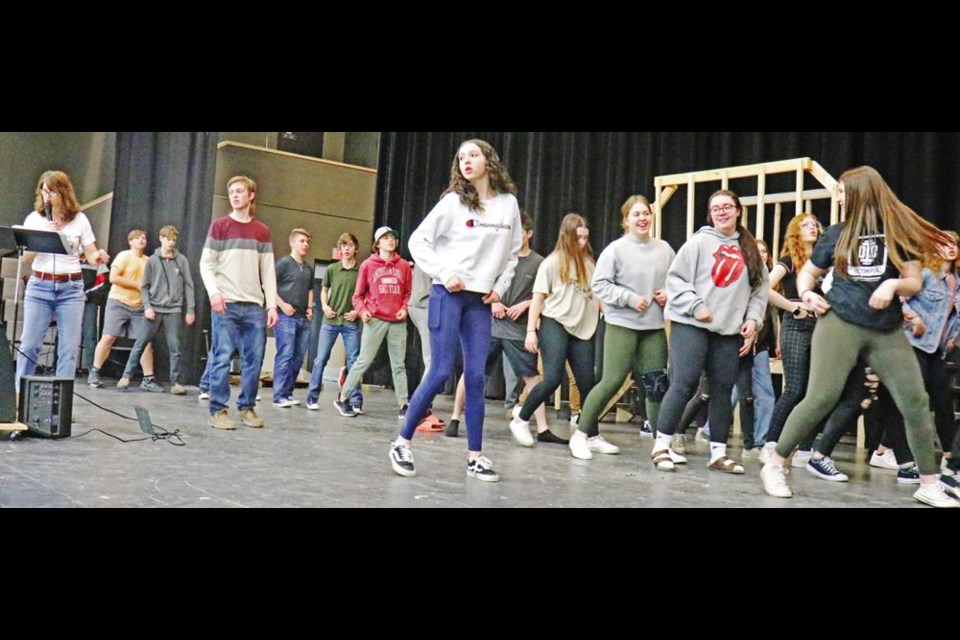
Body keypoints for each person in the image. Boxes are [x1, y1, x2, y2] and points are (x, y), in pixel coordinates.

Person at [760, 166, 959, 507]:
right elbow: (808, 273)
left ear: (859, 192)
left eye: (841, 190)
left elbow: (912, 281)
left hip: (886, 329)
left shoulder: (896, 232)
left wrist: (893, 283)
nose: (837, 197)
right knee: (820, 397)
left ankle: (929, 482)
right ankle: (775, 463)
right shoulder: (837, 234)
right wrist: (806, 295)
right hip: (840, 323)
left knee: (915, 401)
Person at [390, 139, 522, 482]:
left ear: (488, 161)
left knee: (476, 377)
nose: (466, 161)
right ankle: (402, 442)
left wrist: (500, 288)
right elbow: (418, 241)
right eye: (461, 156)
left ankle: (475, 456)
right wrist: (445, 273)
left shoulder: (508, 205)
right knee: (440, 370)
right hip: (447, 295)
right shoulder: (452, 203)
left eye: (473, 155)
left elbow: (512, 254)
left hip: (480, 300)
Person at [654, 190, 769, 474]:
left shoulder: (749, 247)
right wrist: (696, 305)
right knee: (684, 383)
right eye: (715, 207)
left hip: (726, 330)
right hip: (691, 324)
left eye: (727, 206)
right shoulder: (698, 243)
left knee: (721, 390)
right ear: (710, 213)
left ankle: (718, 453)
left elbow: (760, 290)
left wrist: (753, 320)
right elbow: (676, 280)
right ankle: (661, 445)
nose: (721, 212)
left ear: (738, 211)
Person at [447, 212, 561, 443]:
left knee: (532, 377)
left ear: (529, 233)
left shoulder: (539, 263)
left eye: (520, 232)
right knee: (472, 372)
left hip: (517, 328)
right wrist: (495, 303)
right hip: (489, 325)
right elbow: (478, 286)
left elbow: (545, 294)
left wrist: (526, 304)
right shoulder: (497, 258)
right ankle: (455, 417)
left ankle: (542, 428)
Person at [575, 196, 674, 461]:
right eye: (636, 214)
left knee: (656, 385)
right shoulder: (616, 250)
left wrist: (667, 294)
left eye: (646, 213)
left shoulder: (664, 249)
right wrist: (629, 298)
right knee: (612, 380)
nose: (642, 218)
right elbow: (600, 285)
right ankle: (581, 434)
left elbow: (676, 282)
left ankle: (661, 446)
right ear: (626, 219)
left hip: (653, 326)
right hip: (622, 324)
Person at [510, 213, 604, 458]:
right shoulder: (551, 263)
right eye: (578, 238)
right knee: (552, 378)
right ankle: (520, 419)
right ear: (567, 236)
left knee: (587, 383)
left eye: (585, 237)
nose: (582, 242)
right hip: (555, 323)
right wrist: (531, 331)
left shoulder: (590, 265)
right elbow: (538, 298)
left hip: (582, 328)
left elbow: (598, 297)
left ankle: (591, 435)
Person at [15, 171, 110, 390]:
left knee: (67, 349)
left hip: (70, 287)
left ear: (64, 192)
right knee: (29, 344)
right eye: (44, 190)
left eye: (52, 191)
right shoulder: (34, 218)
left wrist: (99, 256)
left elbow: (90, 252)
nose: (47, 196)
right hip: (40, 286)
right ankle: (20, 397)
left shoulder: (79, 219)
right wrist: (41, 235)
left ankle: (62, 402)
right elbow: (26, 257)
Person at [200, 176, 278, 430]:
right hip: (226, 303)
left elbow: (267, 272)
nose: (234, 195)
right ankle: (218, 410)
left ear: (251, 195)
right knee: (221, 357)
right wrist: (214, 293)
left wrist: (272, 305)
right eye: (231, 191)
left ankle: (247, 407)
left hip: (254, 305)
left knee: (254, 360)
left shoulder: (262, 231)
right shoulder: (220, 226)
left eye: (240, 191)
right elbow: (206, 264)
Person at [333, 226, 412, 418]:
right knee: (363, 361)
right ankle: (343, 398)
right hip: (375, 319)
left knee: (399, 365)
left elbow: (408, 293)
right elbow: (357, 296)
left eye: (393, 237)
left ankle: (404, 404)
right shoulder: (368, 265)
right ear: (378, 244)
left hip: (397, 322)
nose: (391, 240)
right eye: (386, 238)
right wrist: (363, 311)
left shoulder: (403, 266)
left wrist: (405, 308)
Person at [118, 225, 195, 394]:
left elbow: (189, 285)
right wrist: (147, 307)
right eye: (168, 239)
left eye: (174, 240)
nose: (171, 243)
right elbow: (144, 286)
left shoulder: (181, 260)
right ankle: (126, 376)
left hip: (173, 309)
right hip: (154, 308)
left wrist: (190, 310)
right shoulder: (152, 261)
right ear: (161, 239)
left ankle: (176, 382)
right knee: (140, 343)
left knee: (175, 346)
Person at [88, 229, 155, 389]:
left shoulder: (149, 261)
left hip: (139, 306)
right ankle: (95, 371)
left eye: (144, 238)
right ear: (130, 241)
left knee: (145, 342)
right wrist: (137, 285)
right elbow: (113, 277)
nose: (141, 240)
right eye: (137, 238)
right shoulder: (124, 256)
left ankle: (148, 379)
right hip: (118, 302)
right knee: (109, 337)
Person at [305, 233, 362, 412]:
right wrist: (324, 306)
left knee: (354, 361)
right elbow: (324, 290)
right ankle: (312, 397)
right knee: (320, 359)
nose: (346, 249)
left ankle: (355, 400)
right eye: (343, 245)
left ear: (356, 248)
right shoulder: (332, 269)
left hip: (350, 321)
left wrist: (357, 311)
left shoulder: (361, 271)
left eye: (350, 245)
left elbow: (366, 295)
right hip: (330, 320)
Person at [272, 229, 314, 408]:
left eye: (307, 241)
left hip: (303, 317)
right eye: (302, 241)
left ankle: (288, 393)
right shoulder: (283, 264)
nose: (306, 244)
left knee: (298, 357)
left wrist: (311, 307)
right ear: (292, 243)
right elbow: (269, 285)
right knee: (286, 354)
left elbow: (311, 289)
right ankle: (278, 395)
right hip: (286, 316)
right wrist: (281, 305)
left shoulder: (308, 269)